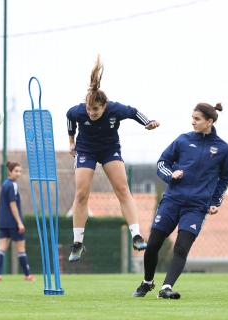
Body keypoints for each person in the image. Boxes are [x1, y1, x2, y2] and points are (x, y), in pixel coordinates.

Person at [133, 102, 228, 299]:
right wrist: (171, 175)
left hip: (197, 207)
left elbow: (225, 178)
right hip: (172, 201)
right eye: (192, 118)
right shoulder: (182, 140)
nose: (192, 122)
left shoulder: (223, 148)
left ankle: (166, 288)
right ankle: (147, 282)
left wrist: (215, 201)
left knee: (181, 247)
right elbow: (162, 163)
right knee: (153, 245)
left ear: (209, 121)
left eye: (197, 119)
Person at [66, 56, 160, 262]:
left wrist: (148, 123)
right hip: (86, 151)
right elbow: (69, 116)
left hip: (109, 150)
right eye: (89, 109)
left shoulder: (115, 109)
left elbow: (134, 112)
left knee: (122, 189)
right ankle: (78, 243)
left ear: (105, 106)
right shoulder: (79, 111)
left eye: (96, 110)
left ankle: (136, 235)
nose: (91, 113)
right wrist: (71, 141)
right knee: (81, 194)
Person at [0, 161, 34, 281]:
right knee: (21, 249)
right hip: (13, 222)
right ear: (9, 172)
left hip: (3, 222)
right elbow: (13, 205)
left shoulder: (4, 184)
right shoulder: (12, 185)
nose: (18, 174)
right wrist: (19, 222)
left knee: (1, 248)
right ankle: (27, 275)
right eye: (16, 171)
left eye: (20, 171)